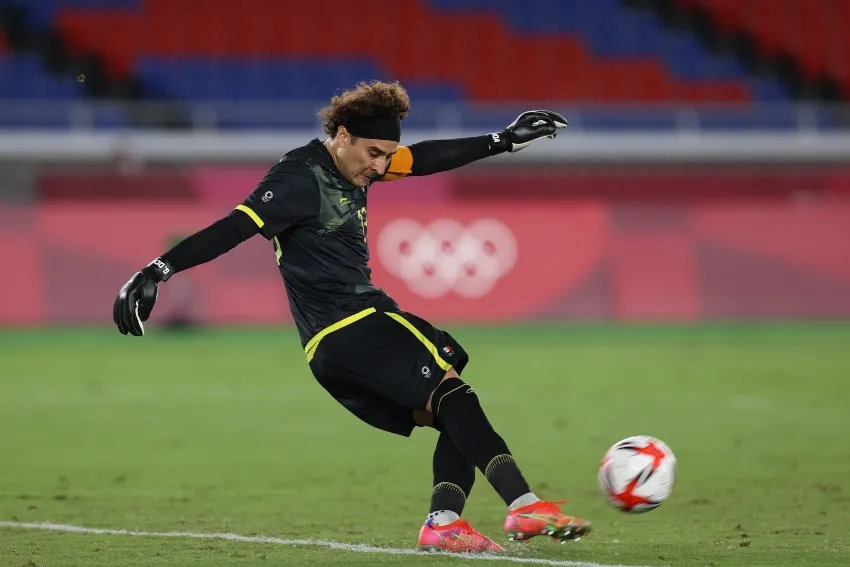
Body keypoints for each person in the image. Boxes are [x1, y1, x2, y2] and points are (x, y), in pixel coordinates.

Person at [112, 80, 590, 553]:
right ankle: (524, 505)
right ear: (342, 136)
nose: (380, 166)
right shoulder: (299, 178)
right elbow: (236, 226)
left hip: (334, 346)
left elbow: (422, 159)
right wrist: (159, 268)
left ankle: (444, 524)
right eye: (373, 153)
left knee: (452, 399)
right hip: (352, 324)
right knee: (454, 394)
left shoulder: (361, 161)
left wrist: (502, 140)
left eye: (386, 155)